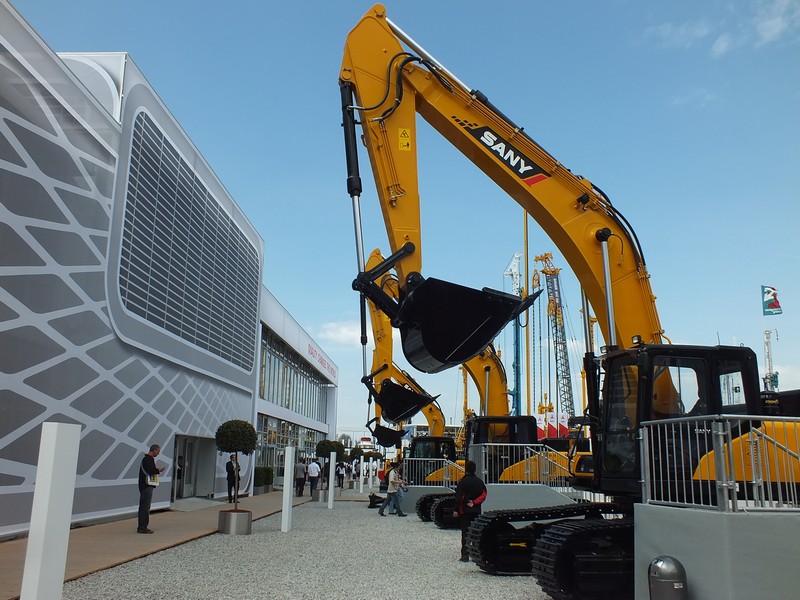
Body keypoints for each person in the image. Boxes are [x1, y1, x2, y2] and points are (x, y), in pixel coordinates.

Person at [452, 460, 487, 562]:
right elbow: (484, 495)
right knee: (476, 532)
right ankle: (477, 554)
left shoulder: (462, 482)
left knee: (465, 533)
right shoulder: (480, 482)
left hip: (465, 511)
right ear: (475, 469)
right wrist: (475, 502)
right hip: (476, 510)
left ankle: (465, 555)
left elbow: (460, 497)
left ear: (465, 469)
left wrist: (456, 510)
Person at [137, 444, 164, 534]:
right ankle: (143, 527)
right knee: (145, 507)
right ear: (154, 450)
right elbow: (150, 470)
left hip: (144, 485)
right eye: (158, 451)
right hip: (146, 485)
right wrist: (158, 470)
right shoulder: (148, 459)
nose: (158, 453)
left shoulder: (146, 459)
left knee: (144, 506)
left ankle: (142, 526)